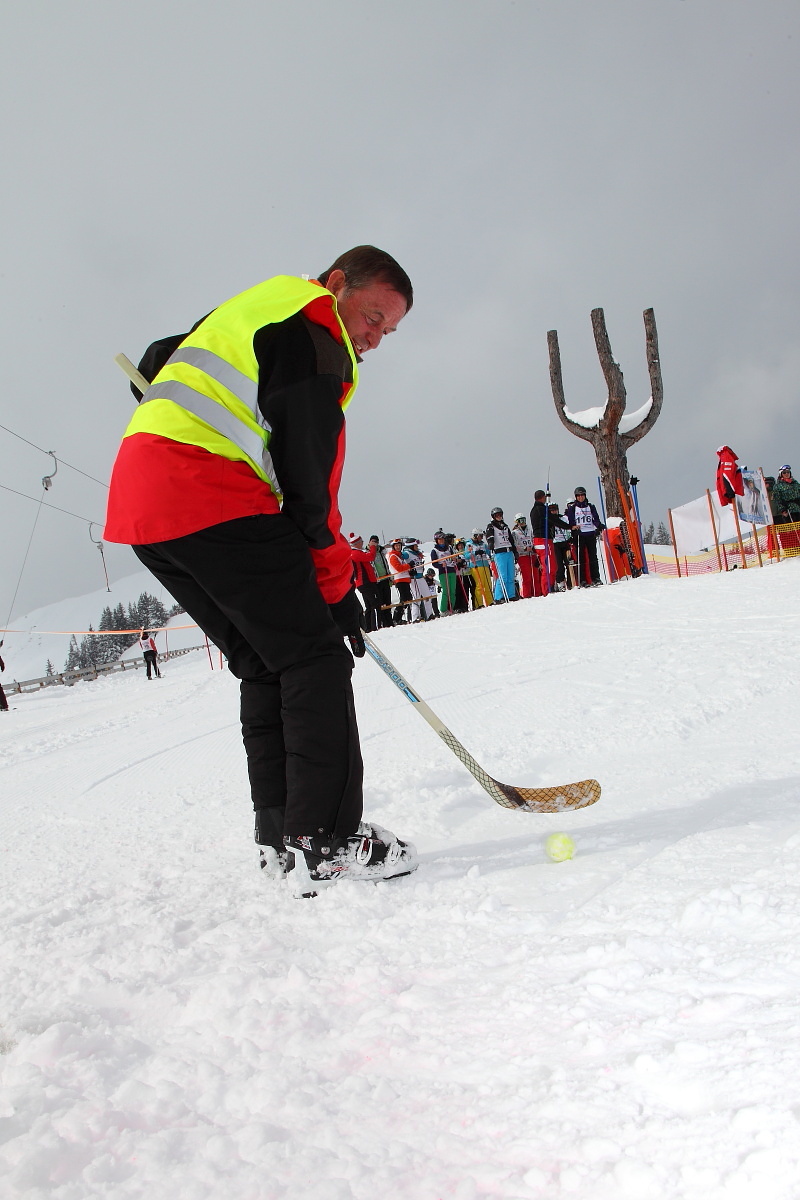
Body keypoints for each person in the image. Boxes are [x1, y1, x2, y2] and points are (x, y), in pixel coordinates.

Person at [104, 245, 417, 892]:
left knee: (264, 660)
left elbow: (162, 354)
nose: (376, 337)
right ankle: (328, 839)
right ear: (337, 286)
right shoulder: (313, 334)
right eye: (374, 316)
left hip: (143, 501)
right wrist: (335, 589)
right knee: (315, 658)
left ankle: (279, 838)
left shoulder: (256, 307)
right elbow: (311, 484)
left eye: (389, 330)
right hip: (207, 492)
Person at [565, 487, 605, 586]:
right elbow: (571, 522)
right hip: (580, 535)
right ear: (576, 497)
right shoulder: (573, 508)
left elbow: (595, 518)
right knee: (581, 558)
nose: (581, 497)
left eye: (582, 495)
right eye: (578, 496)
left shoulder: (590, 507)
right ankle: (582, 580)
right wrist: (574, 530)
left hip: (590, 533)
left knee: (593, 557)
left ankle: (596, 578)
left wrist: (599, 526)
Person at [485, 507, 518, 601]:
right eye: (497, 515)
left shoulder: (505, 526)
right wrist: (490, 543)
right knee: (502, 575)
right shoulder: (491, 526)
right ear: (493, 516)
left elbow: (511, 539)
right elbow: (489, 536)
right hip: (499, 552)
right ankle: (499, 597)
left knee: (511, 574)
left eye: (500, 515)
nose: (499, 517)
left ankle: (511, 594)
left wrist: (515, 551)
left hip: (508, 551)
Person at [349, 533, 378, 632]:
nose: (362, 543)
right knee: (374, 604)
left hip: (363, 582)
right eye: (361, 542)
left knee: (369, 606)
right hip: (365, 581)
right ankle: (375, 626)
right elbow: (370, 556)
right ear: (357, 543)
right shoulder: (356, 553)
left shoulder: (356, 553)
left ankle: (369, 627)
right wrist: (373, 547)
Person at [529, 491, 556, 595]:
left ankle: (551, 586)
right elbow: (552, 520)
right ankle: (546, 590)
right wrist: (568, 527)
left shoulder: (540, 509)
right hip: (542, 540)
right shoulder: (539, 509)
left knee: (553, 566)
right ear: (542, 497)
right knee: (547, 566)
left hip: (546, 539)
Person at [403, 538, 435, 621]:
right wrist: (408, 568)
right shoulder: (407, 553)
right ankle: (415, 617)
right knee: (416, 598)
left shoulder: (417, 554)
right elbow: (400, 558)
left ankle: (429, 614)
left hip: (421, 577)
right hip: (414, 579)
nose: (417, 547)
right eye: (415, 545)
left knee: (427, 596)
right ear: (411, 546)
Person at [548, 501, 575, 590]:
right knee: (559, 565)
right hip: (555, 544)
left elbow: (569, 527)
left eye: (555, 509)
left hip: (565, 542)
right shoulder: (549, 520)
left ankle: (571, 582)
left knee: (569, 563)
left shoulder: (563, 518)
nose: (553, 511)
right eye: (551, 510)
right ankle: (560, 583)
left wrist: (570, 537)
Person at [511, 514, 538, 599]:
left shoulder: (530, 530)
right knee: (527, 576)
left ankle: (537, 593)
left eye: (523, 520)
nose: (522, 522)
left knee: (535, 575)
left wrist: (533, 548)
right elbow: (515, 545)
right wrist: (524, 548)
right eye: (520, 521)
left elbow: (534, 540)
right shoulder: (514, 533)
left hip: (532, 555)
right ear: (517, 522)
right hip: (523, 555)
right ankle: (527, 594)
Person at [369, 535, 394, 628]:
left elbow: (386, 564)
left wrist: (390, 577)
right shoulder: (368, 552)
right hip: (377, 580)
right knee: (380, 602)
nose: (375, 543)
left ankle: (389, 621)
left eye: (376, 541)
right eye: (373, 541)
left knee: (388, 601)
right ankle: (383, 622)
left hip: (385, 578)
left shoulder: (381, 552)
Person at [387, 537, 413, 624]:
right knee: (404, 599)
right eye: (396, 546)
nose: (398, 547)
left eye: (399, 545)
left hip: (405, 579)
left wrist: (410, 570)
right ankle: (396, 618)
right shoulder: (393, 556)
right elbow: (398, 568)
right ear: (393, 547)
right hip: (399, 579)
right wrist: (408, 566)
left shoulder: (400, 556)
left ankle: (398, 617)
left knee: (408, 598)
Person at [431, 530, 457, 614]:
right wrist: (440, 565)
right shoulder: (434, 550)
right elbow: (434, 563)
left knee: (452, 591)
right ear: (437, 541)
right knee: (446, 591)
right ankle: (443, 610)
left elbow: (453, 558)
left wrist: (454, 560)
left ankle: (451, 608)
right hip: (443, 572)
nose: (441, 541)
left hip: (451, 570)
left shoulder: (449, 548)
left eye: (442, 539)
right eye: (439, 539)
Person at [466, 529, 493, 608]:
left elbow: (489, 552)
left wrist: (492, 557)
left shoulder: (483, 544)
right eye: (480, 536)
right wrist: (475, 553)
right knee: (479, 585)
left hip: (485, 565)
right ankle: (479, 604)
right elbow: (466, 555)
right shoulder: (469, 544)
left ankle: (490, 601)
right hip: (476, 566)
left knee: (488, 584)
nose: (481, 538)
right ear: (475, 536)